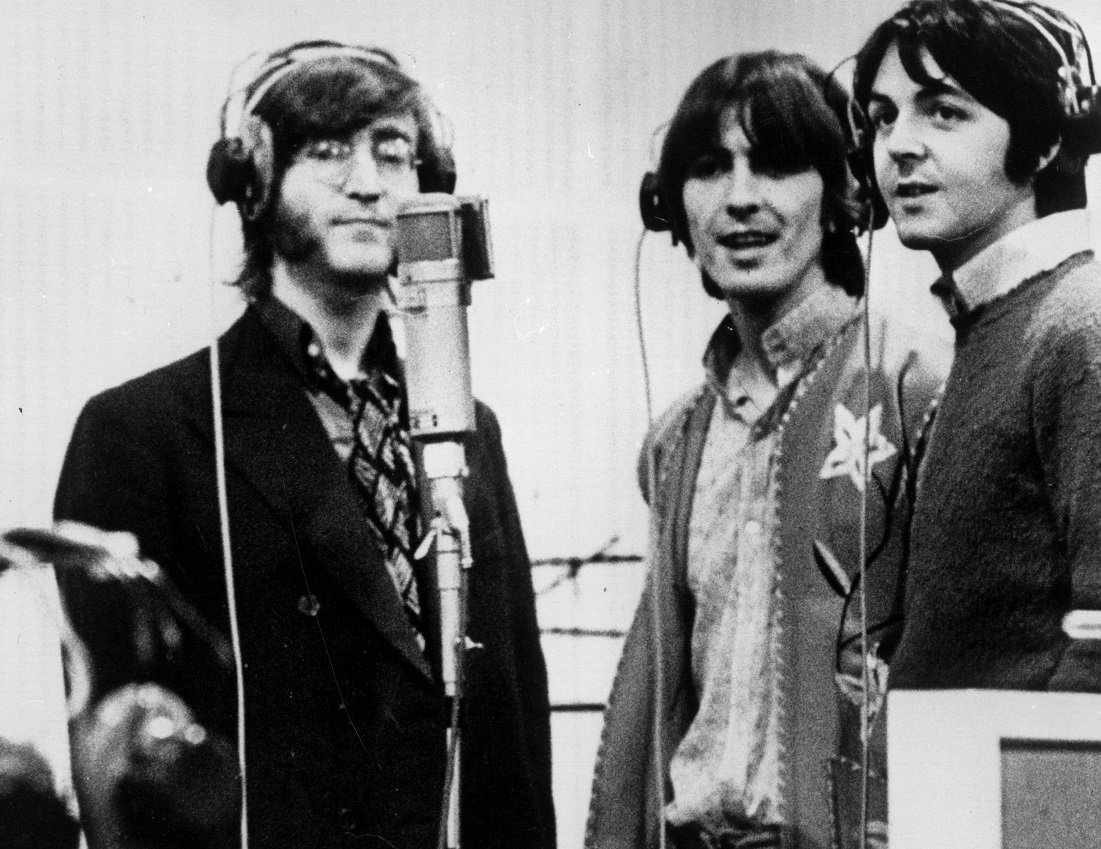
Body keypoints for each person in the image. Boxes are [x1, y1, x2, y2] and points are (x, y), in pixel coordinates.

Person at [54, 41, 555, 849]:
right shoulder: (144, 431)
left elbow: (514, 721)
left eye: (393, 155)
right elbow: (120, 757)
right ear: (253, 183)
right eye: (328, 152)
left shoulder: (468, 428)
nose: (367, 182)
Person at [587, 52, 949, 849]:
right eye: (711, 167)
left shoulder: (920, 389)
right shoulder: (676, 440)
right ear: (670, 205)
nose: (741, 197)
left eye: (777, 164)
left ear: (843, 194)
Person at [851, 0, 1101, 696]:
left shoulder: (1092, 333)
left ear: (1045, 141)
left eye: (943, 111)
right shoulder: (996, 328)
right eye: (882, 117)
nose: (897, 145)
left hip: (1019, 806)